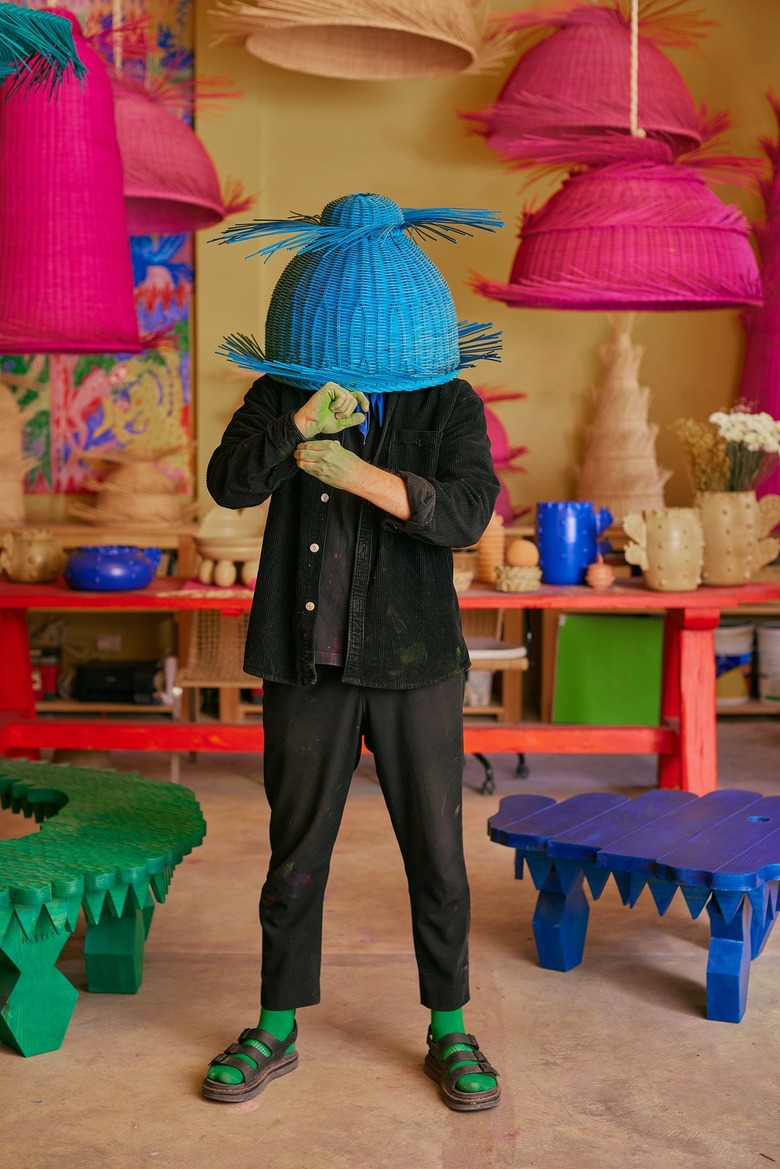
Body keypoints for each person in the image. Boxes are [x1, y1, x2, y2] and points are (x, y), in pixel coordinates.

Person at [202, 192, 503, 1111]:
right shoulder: (283, 393)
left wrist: (362, 475)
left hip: (416, 663)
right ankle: (276, 1025)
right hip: (305, 658)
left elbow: (466, 513)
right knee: (295, 850)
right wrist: (297, 433)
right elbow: (227, 483)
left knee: (436, 853)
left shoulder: (448, 401)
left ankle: (450, 1027)